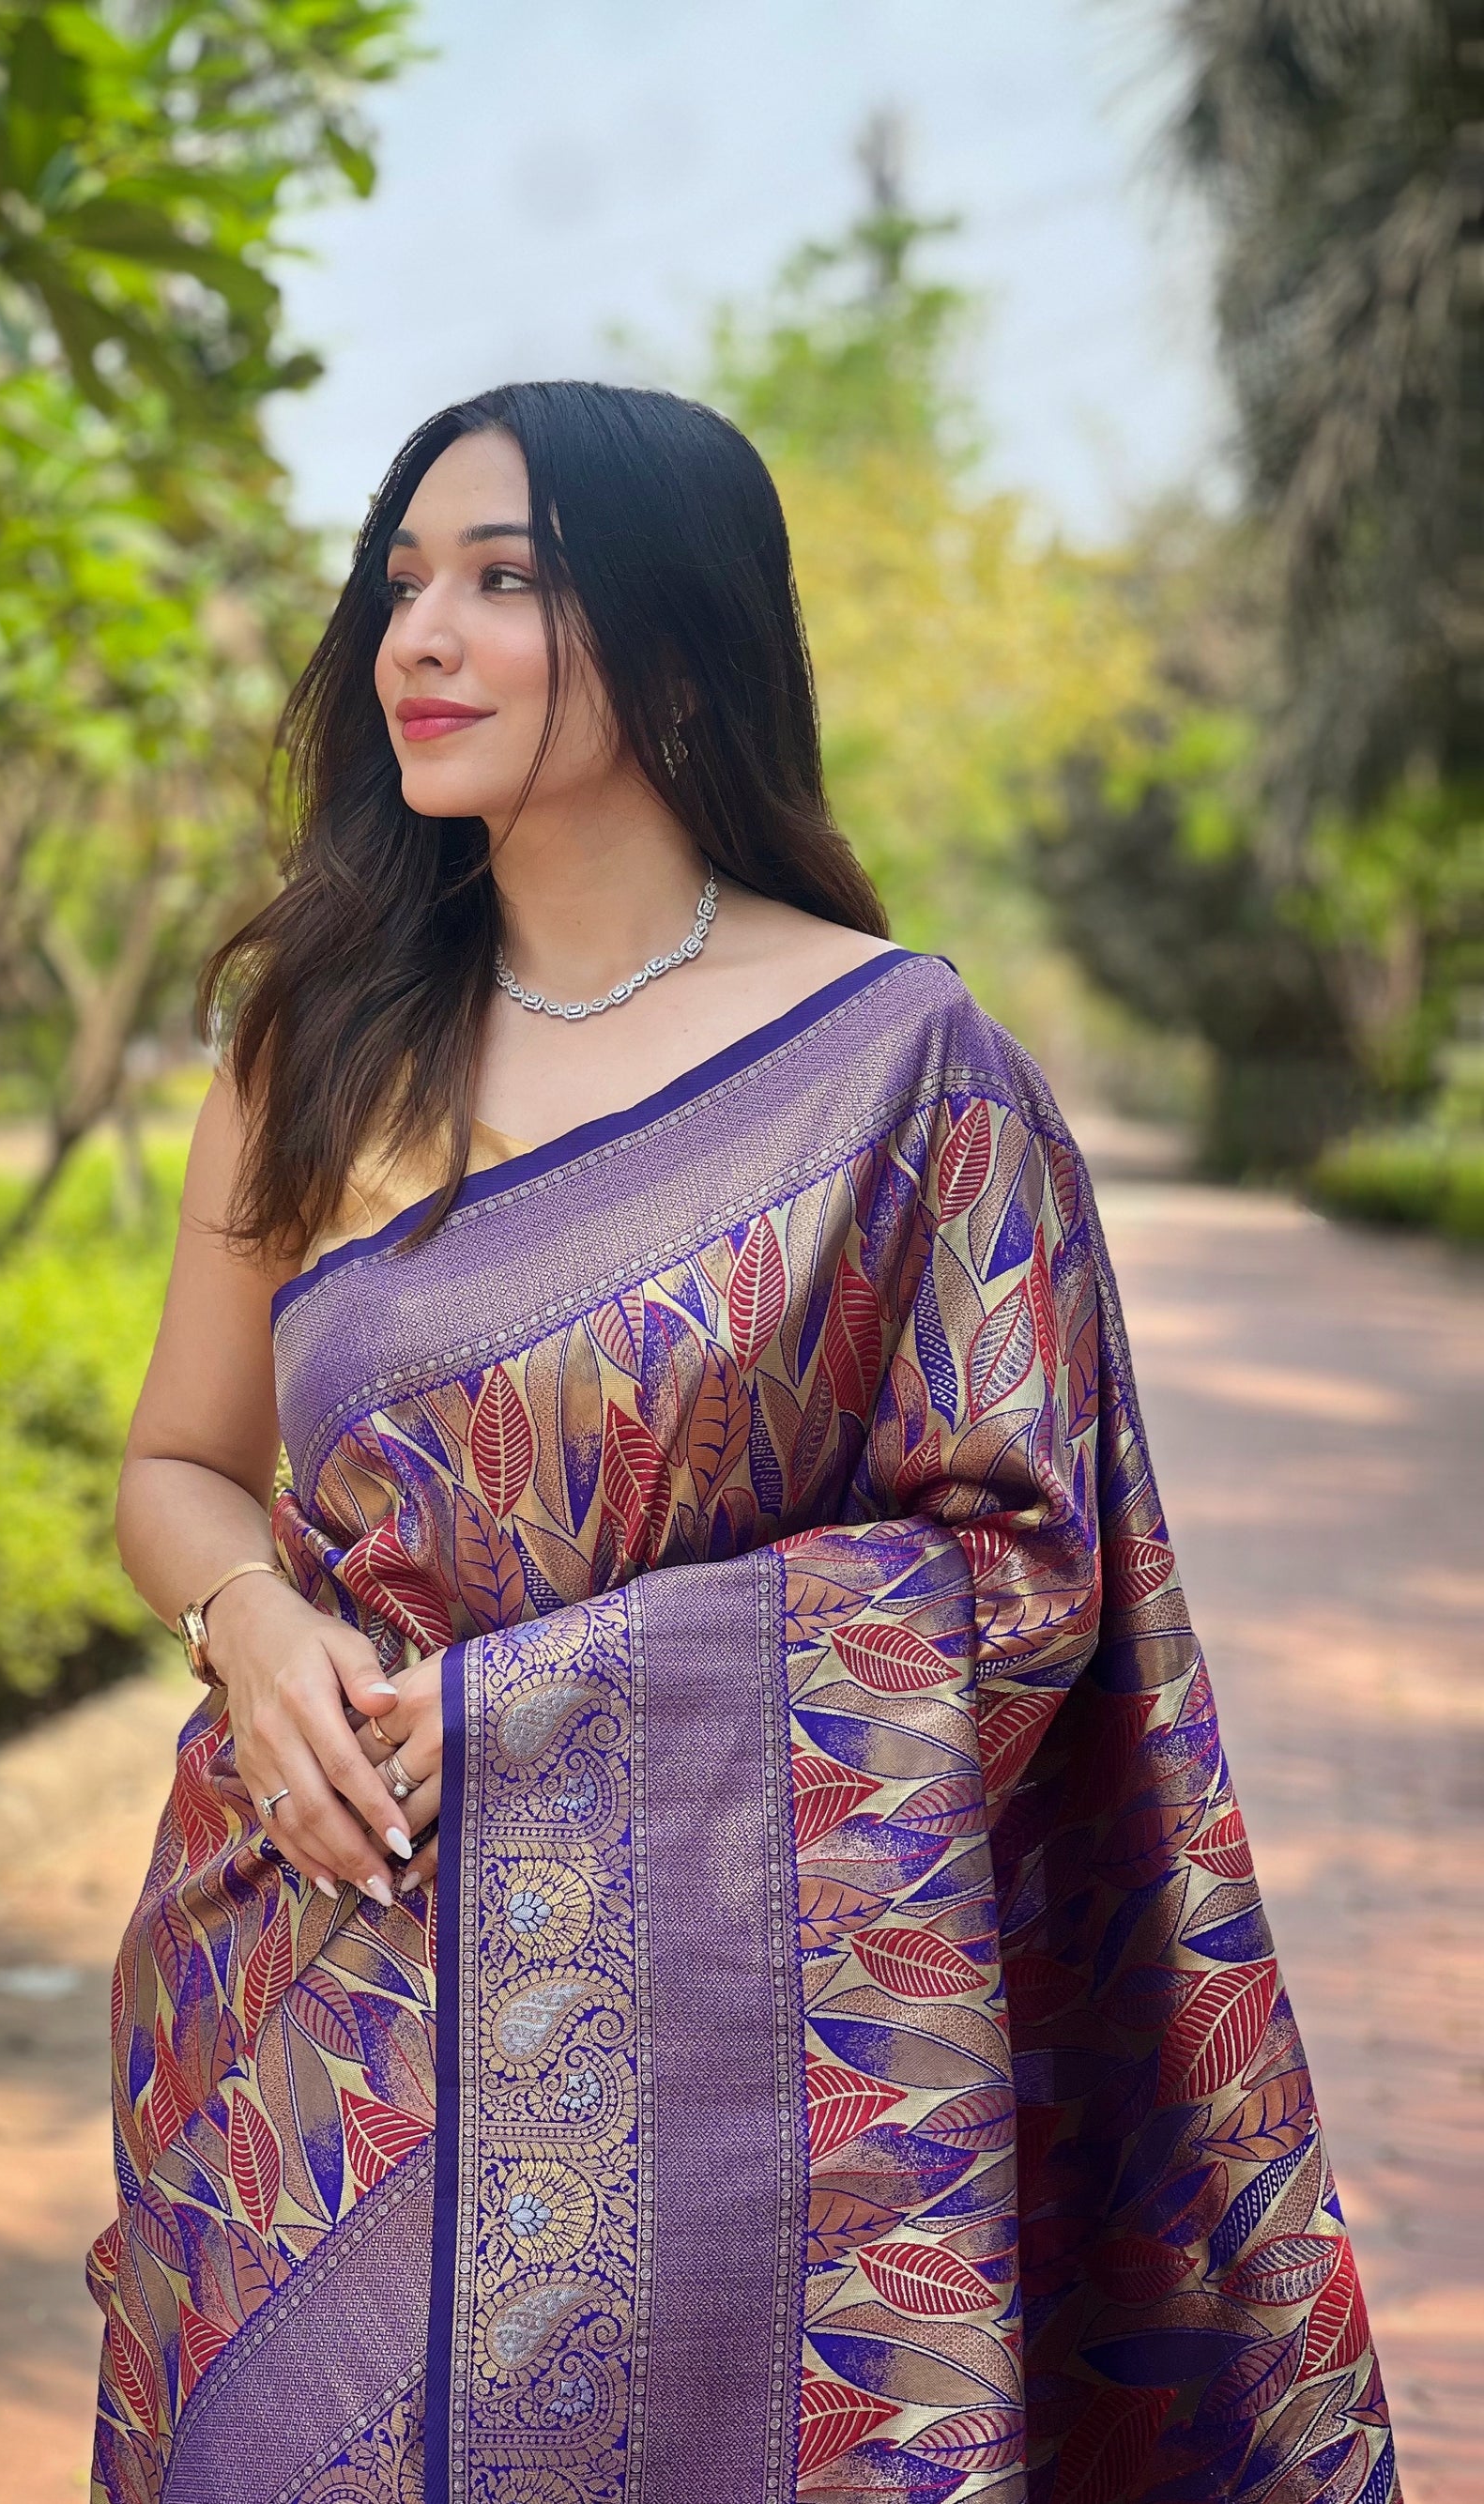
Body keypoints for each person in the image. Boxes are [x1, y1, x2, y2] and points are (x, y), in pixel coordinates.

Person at [88, 382, 1395, 2504]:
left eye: (504, 580)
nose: (419, 637)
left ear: (680, 642)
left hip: (747, 2054)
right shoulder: (310, 1039)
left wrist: (553, 1705)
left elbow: (1026, 1568)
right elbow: (178, 1461)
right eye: (400, 583)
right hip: (314, 1976)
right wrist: (245, 1621)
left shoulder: (897, 1066)